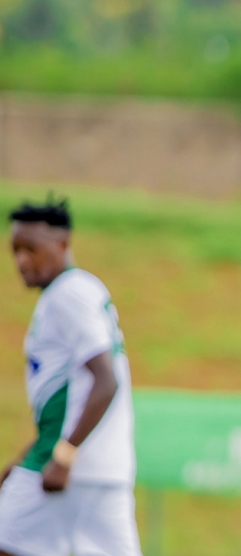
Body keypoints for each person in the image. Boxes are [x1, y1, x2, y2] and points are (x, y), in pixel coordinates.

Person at [0, 197, 140, 556]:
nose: (22, 261)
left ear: (62, 244)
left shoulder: (68, 293)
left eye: (31, 249)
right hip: (106, 469)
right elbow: (68, 398)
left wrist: (64, 457)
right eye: (15, 251)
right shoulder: (80, 290)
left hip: (66, 466)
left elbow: (106, 381)